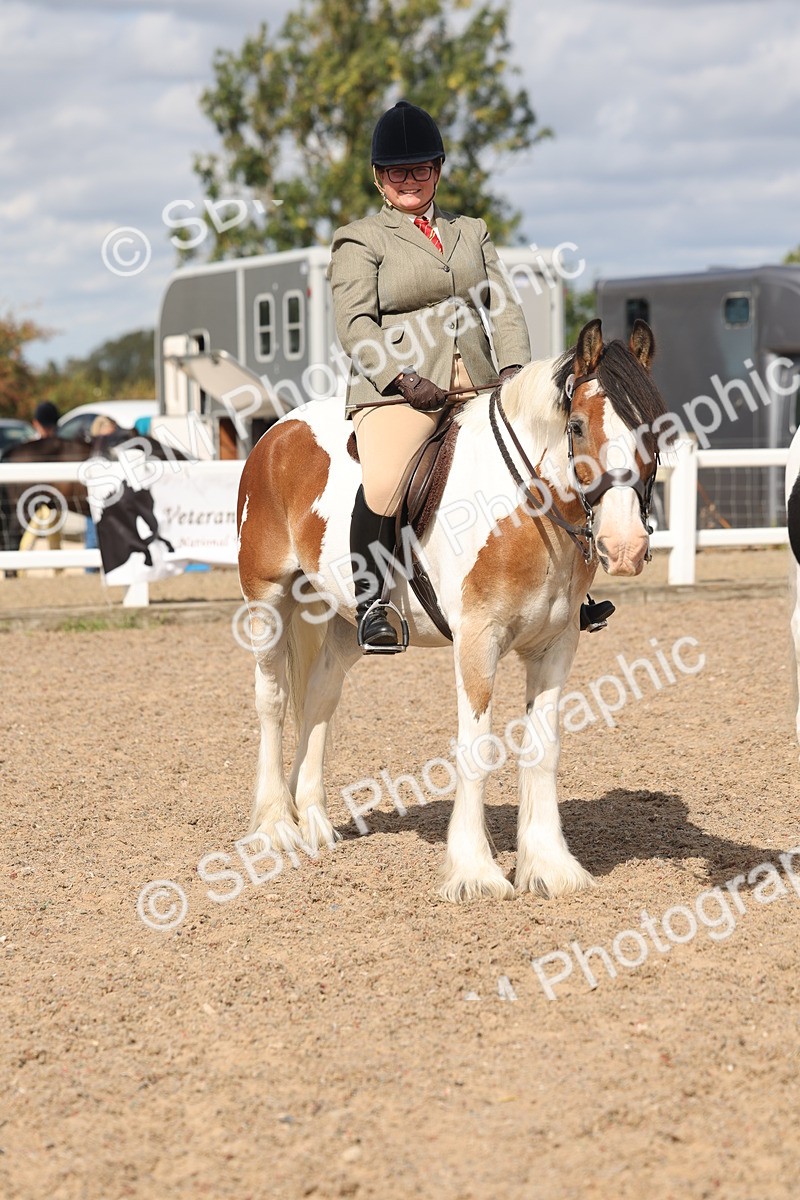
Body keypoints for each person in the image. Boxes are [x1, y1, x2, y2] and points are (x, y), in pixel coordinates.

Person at [328, 100, 531, 652]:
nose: (410, 180)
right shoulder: (360, 239)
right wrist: (400, 378)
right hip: (398, 393)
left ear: (437, 170)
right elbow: (354, 324)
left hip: (479, 381)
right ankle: (375, 605)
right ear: (379, 179)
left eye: (420, 169)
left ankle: (560, 594)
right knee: (385, 482)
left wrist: (514, 368)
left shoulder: (473, 232)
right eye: (398, 172)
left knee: (539, 456)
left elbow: (504, 305)